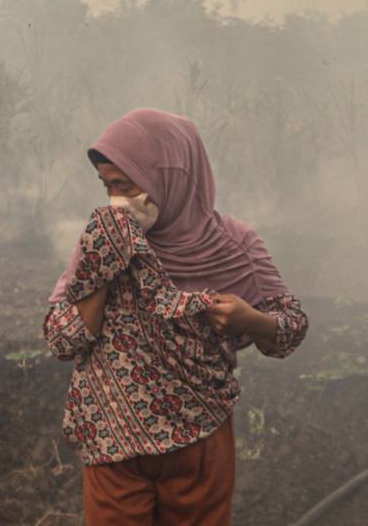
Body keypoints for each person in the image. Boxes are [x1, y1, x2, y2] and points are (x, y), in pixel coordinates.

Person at [43, 109, 309, 526]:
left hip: (199, 439)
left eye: (124, 185)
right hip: (114, 442)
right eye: (107, 185)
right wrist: (102, 271)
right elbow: (62, 339)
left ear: (171, 178)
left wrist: (251, 320)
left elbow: (290, 329)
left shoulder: (235, 245)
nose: (115, 199)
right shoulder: (104, 239)